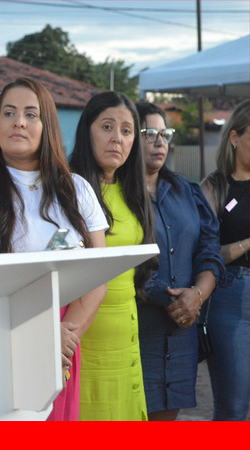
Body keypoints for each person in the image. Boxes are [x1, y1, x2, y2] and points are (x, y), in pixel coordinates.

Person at [0, 78, 109, 421]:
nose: (18, 122)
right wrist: (38, 336)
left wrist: (60, 339)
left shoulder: (78, 190)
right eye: (8, 113)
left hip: (60, 343)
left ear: (48, 127)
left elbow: (96, 279)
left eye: (31, 114)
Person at [69, 91, 157, 421]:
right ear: (86, 131)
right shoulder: (68, 189)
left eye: (126, 130)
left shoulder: (132, 191)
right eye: (107, 127)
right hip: (83, 335)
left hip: (127, 335)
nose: (117, 138)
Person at [135, 102, 224, 421]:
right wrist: (173, 299)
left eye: (165, 134)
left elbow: (210, 250)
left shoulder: (187, 192)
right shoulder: (116, 195)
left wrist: (196, 295)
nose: (160, 142)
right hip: (139, 330)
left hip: (183, 328)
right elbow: (120, 261)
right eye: (150, 133)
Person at [200, 99, 249, 421]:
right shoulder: (215, 187)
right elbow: (204, 253)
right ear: (234, 137)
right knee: (233, 407)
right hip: (231, 298)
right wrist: (246, 244)